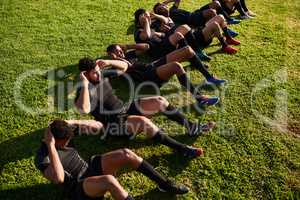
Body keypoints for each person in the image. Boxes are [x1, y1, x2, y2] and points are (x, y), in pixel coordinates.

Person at [75, 58, 215, 155]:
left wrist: (107, 62)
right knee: (143, 122)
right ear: (85, 75)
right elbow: (84, 109)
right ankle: (182, 149)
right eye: (94, 72)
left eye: (97, 70)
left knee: (159, 100)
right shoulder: (83, 91)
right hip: (114, 125)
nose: (98, 74)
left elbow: (126, 67)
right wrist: (85, 84)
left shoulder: (101, 74)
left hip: (125, 110)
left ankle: (192, 127)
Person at [35, 119, 190, 200]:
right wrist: (51, 146)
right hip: (78, 187)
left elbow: (98, 126)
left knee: (126, 153)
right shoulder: (42, 157)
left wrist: (73, 123)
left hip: (88, 167)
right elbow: (59, 178)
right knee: (109, 181)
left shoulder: (64, 134)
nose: (69, 142)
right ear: (55, 140)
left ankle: (164, 184)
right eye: (66, 141)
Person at [106, 43, 226, 106]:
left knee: (187, 49)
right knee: (176, 66)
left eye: (120, 50)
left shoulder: (129, 54)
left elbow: (146, 47)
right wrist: (115, 59)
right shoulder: (115, 66)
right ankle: (200, 98)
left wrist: (127, 46)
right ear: (111, 55)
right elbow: (123, 68)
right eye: (117, 51)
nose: (120, 52)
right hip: (148, 76)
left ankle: (209, 78)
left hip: (152, 66)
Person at [152, 3, 241, 54]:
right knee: (214, 24)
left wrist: (166, 2)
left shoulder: (172, 10)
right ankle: (224, 46)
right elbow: (161, 27)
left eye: (163, 6)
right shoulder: (162, 21)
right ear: (159, 13)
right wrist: (154, 16)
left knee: (220, 17)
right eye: (160, 9)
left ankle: (228, 38)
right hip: (195, 37)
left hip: (197, 30)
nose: (163, 8)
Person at [133, 8, 212, 61]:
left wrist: (161, 32)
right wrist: (147, 22)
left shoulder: (152, 26)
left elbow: (166, 22)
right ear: (138, 20)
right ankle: (197, 53)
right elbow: (147, 36)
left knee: (184, 28)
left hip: (165, 42)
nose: (147, 18)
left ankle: (197, 53)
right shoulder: (138, 31)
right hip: (159, 50)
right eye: (144, 16)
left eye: (148, 16)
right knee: (182, 29)